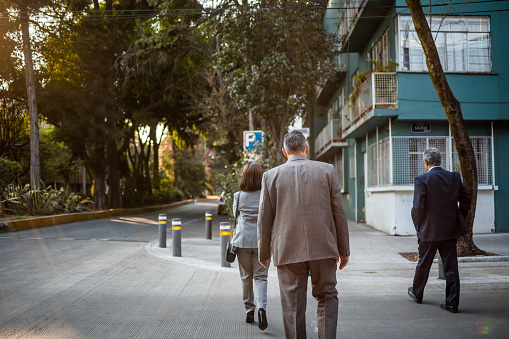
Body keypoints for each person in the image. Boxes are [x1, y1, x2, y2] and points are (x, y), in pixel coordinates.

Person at [257, 130, 350, 339]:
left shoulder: (270, 176)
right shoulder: (327, 171)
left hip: (287, 249)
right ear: (306, 148)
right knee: (327, 297)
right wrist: (343, 249)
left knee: (292, 306)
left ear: (284, 151)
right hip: (324, 247)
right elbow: (339, 213)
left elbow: (264, 220)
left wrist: (263, 253)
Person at [408, 147, 471, 313]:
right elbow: (466, 200)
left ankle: (417, 292)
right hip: (449, 231)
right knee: (450, 267)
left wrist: (419, 227)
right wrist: (457, 218)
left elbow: (417, 208)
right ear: (440, 161)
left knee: (423, 264)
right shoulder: (454, 177)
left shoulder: (422, 179)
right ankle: (452, 302)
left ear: (426, 162)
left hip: (428, 231)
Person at [232, 161, 269, 330]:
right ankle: (262, 308)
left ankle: (249, 310)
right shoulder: (266, 195)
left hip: (243, 242)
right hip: (262, 242)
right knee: (261, 277)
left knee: (246, 277)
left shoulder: (238, 196)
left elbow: (235, 216)